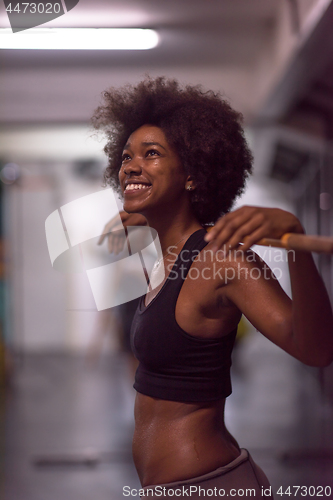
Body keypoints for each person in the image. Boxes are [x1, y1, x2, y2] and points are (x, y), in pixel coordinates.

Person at [92, 77, 333, 498]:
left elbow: (315, 349)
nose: (131, 165)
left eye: (152, 154)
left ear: (192, 175)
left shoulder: (221, 258)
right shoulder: (167, 257)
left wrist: (296, 240)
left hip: (208, 485)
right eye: (127, 155)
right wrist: (146, 219)